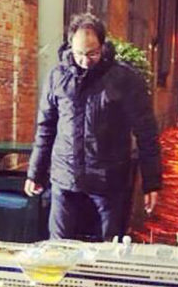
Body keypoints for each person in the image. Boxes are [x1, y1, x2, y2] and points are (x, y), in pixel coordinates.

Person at [25, 12, 162, 241]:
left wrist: (152, 183)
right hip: (65, 177)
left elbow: (146, 132)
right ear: (70, 46)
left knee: (110, 249)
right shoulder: (57, 77)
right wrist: (35, 173)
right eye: (79, 54)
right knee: (58, 248)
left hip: (108, 180)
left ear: (103, 45)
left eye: (92, 53)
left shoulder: (125, 79)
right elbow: (46, 128)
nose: (85, 60)